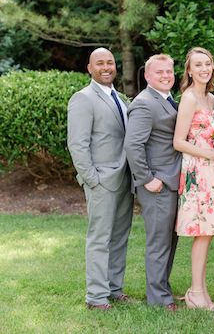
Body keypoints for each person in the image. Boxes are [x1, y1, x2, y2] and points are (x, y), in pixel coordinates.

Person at [67, 47, 134, 310]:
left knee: (119, 237)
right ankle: (96, 296)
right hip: (102, 182)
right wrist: (92, 179)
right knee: (100, 238)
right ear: (90, 68)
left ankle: (114, 288)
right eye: (100, 63)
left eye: (110, 62)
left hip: (124, 179)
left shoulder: (119, 98)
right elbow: (77, 144)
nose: (106, 67)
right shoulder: (83, 99)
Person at [173, 47, 214, 310]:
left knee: (208, 231)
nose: (204, 69)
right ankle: (196, 292)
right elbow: (178, 141)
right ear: (189, 70)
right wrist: (211, 153)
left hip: (213, 169)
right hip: (198, 169)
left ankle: (201, 290)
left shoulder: (212, 98)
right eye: (198, 65)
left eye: (207, 64)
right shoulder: (189, 98)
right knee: (202, 232)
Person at [124, 54, 181, 312]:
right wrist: (147, 179)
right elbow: (133, 145)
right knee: (159, 242)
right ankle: (158, 297)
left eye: (169, 71)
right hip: (157, 184)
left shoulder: (168, 100)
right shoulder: (144, 103)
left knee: (169, 240)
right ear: (147, 76)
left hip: (172, 181)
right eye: (160, 72)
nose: (166, 76)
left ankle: (162, 288)